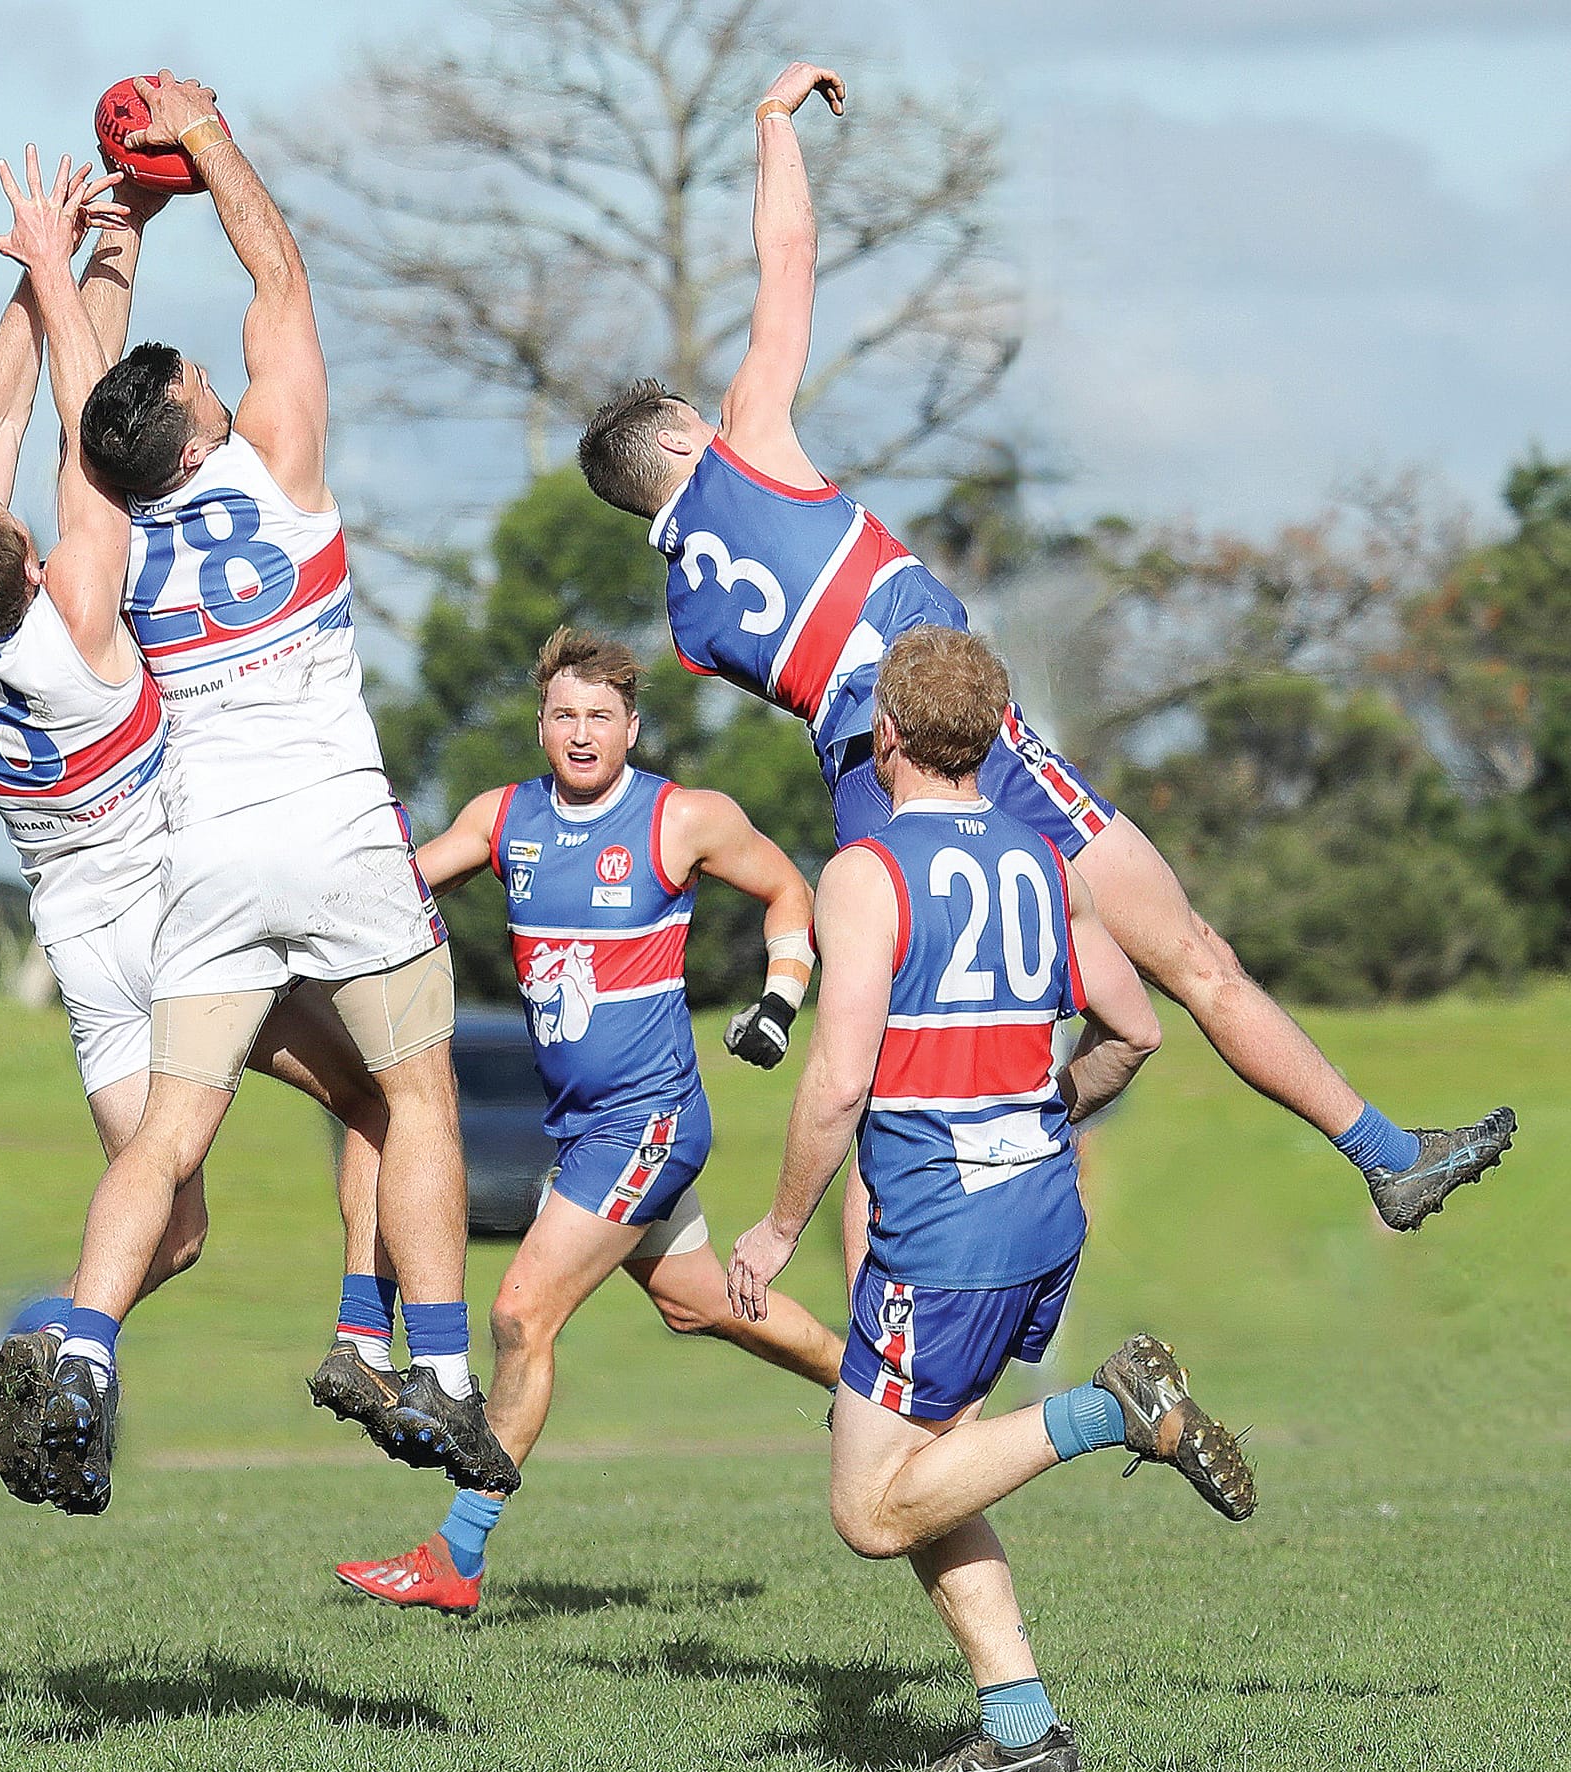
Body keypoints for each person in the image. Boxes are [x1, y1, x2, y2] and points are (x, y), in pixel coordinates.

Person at [575, 60, 1513, 1258]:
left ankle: (883, 1330)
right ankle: (1383, 1154)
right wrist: (770, 118)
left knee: (898, 1073)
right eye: (692, 417)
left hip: (867, 787)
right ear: (677, 440)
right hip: (965, 740)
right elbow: (788, 256)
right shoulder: (743, 443)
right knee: (1191, 961)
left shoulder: (688, 617)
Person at [43, 73, 516, 1513]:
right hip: (341, 836)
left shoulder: (114, 524)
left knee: (170, 1135)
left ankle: (82, 1345)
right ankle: (439, 1367)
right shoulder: (284, 467)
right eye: (203, 385)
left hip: (207, 863)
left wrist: (99, 250)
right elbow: (282, 278)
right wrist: (205, 134)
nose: (217, 381)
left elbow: (84, 403)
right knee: (417, 1094)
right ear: (200, 437)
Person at [0, 151, 391, 1507]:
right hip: (178, 913)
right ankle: (366, 1334)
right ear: (24, 562)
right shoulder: (80, 608)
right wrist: (98, 252)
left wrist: (48, 268)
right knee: (379, 1097)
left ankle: (50, 1353)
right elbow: (83, 428)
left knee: (170, 1230)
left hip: (78, 939)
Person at [728, 625, 1255, 1772]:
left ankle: (1111, 1408)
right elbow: (1135, 1030)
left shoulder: (864, 872)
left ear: (887, 735)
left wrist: (775, 1227)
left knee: (871, 1509)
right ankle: (1022, 1728)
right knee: (927, 1465)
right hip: (1039, 1214)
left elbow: (836, 1081)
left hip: (942, 1234)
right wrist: (1041, 1111)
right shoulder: (1044, 861)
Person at [333, 629, 844, 1614]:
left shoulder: (680, 817)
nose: (581, 733)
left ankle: (457, 1554)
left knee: (521, 1313)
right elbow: (396, 888)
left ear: (630, 727)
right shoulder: (503, 817)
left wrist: (781, 998)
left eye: (600, 716)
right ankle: (868, 1385)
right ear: (540, 724)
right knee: (698, 1302)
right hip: (583, 1129)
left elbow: (791, 887)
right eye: (564, 714)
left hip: (648, 1123)